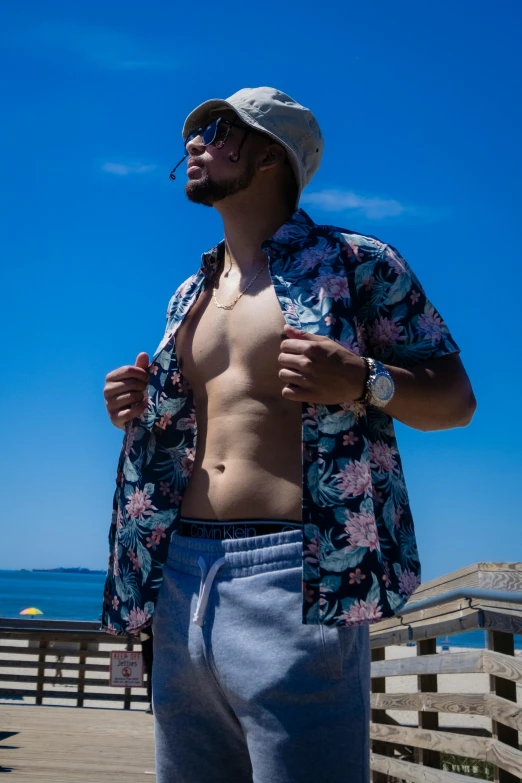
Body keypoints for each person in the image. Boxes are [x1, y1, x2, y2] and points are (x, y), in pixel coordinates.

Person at [101, 87, 476, 783]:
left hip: (294, 577)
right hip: (181, 578)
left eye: (216, 130)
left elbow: (456, 401)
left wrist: (365, 378)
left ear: (271, 154)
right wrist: (135, 405)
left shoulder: (356, 263)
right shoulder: (190, 294)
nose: (192, 142)